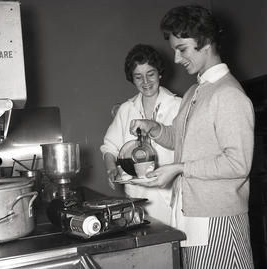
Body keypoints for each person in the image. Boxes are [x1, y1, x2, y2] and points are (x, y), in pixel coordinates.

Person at [129, 5, 255, 269]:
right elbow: (180, 139)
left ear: (206, 42)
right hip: (192, 216)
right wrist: (154, 127)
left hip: (219, 221)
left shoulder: (228, 94)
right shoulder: (194, 91)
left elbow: (238, 163)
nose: (176, 58)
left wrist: (179, 168)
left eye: (182, 48)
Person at [100, 44, 182, 226]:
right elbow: (109, 147)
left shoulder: (178, 106)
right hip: (137, 197)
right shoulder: (126, 109)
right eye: (138, 76)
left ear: (160, 73)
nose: (145, 81)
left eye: (150, 74)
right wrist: (111, 169)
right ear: (132, 79)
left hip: (170, 195)